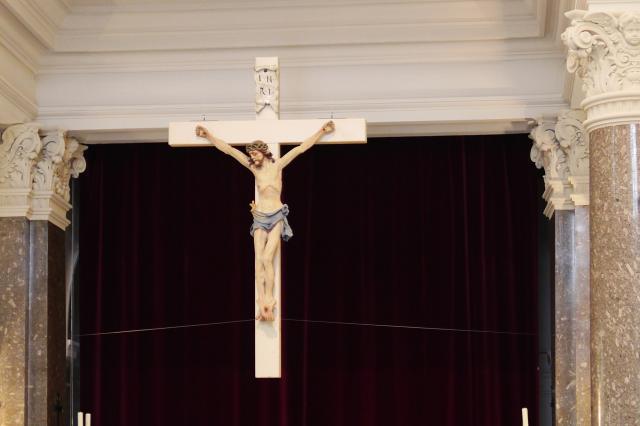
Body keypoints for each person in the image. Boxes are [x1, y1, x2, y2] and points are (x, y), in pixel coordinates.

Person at [195, 121, 335, 320]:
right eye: (251, 155)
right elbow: (229, 150)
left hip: (276, 216)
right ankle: (262, 302)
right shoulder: (255, 169)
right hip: (260, 217)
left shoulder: (278, 165)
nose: (252, 157)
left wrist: (321, 132)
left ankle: (269, 298)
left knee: (268, 259)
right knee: (259, 260)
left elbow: (301, 148)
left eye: (255, 153)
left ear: (263, 152)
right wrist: (208, 136)